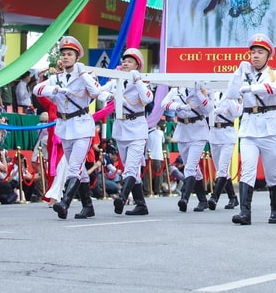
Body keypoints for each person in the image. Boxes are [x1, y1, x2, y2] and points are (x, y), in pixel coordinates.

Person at [34, 35, 100, 220]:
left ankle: (65, 203)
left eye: (69, 54)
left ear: (77, 57)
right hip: (65, 127)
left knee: (73, 168)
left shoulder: (85, 76)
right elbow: (37, 89)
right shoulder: (57, 79)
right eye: (63, 54)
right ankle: (88, 206)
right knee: (78, 170)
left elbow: (96, 92)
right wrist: (54, 90)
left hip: (82, 126)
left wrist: (84, 74)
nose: (65, 57)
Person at [225, 33, 276, 225]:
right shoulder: (244, 74)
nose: (255, 56)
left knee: (272, 173)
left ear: (269, 56)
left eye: (260, 52)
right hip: (249, 126)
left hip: (269, 127)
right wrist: (238, 73)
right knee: (248, 170)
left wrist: (252, 88)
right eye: (253, 52)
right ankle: (245, 213)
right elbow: (231, 94)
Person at [100, 48, 153, 216]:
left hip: (137, 128)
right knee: (132, 170)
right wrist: (111, 96)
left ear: (137, 65)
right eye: (124, 60)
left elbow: (147, 99)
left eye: (129, 61)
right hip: (121, 128)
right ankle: (141, 205)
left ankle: (122, 199)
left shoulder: (142, 82)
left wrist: (137, 79)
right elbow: (100, 92)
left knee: (130, 169)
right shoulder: (117, 80)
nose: (125, 63)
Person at [162, 82, 211, 212]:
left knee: (190, 166)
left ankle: (184, 198)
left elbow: (209, 109)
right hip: (183, 131)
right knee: (193, 168)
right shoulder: (176, 89)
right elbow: (164, 103)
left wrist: (199, 93)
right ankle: (203, 200)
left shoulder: (203, 89)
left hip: (198, 130)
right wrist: (179, 106)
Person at [206, 88, 242, 210]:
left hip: (227, 134)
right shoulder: (211, 93)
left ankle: (214, 198)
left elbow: (237, 112)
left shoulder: (231, 95)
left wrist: (229, 99)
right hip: (214, 133)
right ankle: (233, 197)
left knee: (222, 168)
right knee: (220, 169)